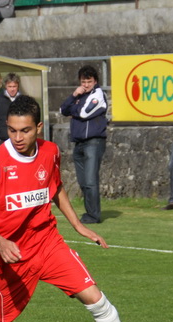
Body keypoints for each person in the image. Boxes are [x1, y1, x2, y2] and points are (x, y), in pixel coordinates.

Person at [0, 95, 157, 322]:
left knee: (94, 297)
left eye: (25, 130)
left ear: (38, 127)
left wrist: (78, 225)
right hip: (10, 257)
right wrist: (1, 243)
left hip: (47, 243)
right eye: (12, 130)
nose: (17, 137)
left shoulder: (50, 152)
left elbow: (55, 188)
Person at [60, 65, 108, 224]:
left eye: (89, 81)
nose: (86, 85)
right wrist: (73, 95)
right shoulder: (79, 95)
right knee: (83, 182)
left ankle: (94, 215)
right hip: (79, 143)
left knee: (90, 181)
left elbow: (83, 113)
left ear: (95, 81)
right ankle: (89, 213)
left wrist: (73, 108)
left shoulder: (98, 94)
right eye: (83, 82)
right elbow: (63, 110)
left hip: (93, 142)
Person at [0, 72, 21, 149]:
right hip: (1, 142)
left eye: (14, 86)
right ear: (6, 86)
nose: (12, 89)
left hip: (20, 142)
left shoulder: (23, 100)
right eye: (10, 86)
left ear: (18, 86)